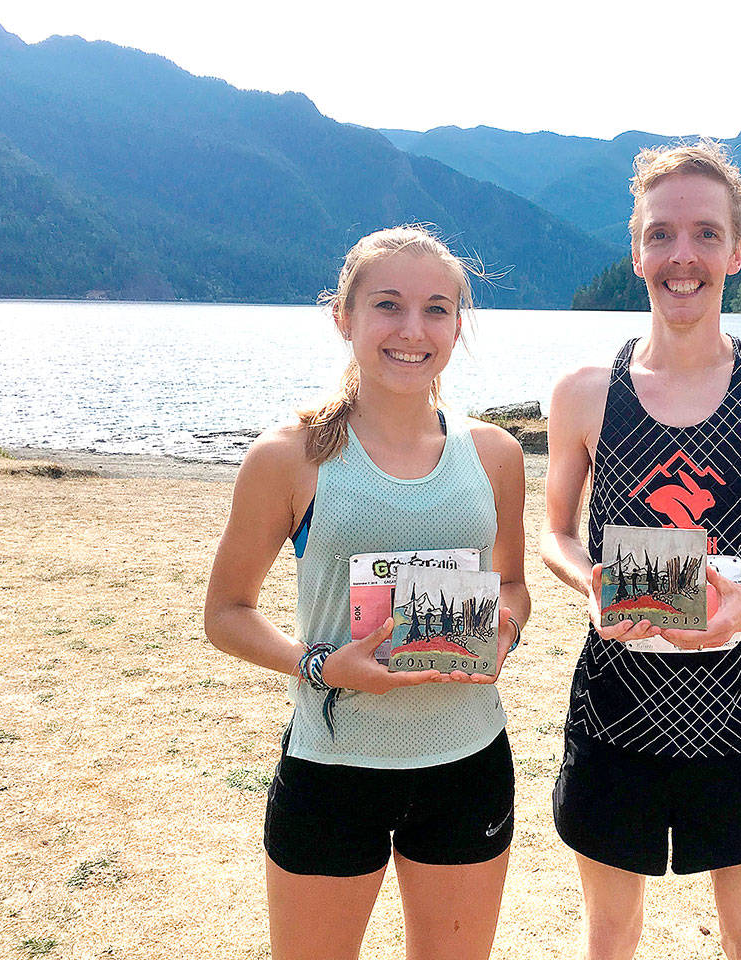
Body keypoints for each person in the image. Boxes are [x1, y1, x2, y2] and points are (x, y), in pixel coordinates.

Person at [204, 225, 529, 960]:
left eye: (438, 309)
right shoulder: (291, 457)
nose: (413, 331)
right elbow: (225, 613)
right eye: (388, 305)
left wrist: (504, 626)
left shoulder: (493, 454)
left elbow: (511, 583)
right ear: (343, 317)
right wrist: (320, 666)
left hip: (468, 761)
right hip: (333, 767)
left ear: (456, 325)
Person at [540, 140, 741, 960]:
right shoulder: (583, 392)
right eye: (661, 234)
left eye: (706, 233)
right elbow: (557, 531)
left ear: (737, 250)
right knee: (609, 932)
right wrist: (587, 585)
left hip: (740, 702)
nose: (683, 256)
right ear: (636, 253)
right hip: (614, 699)